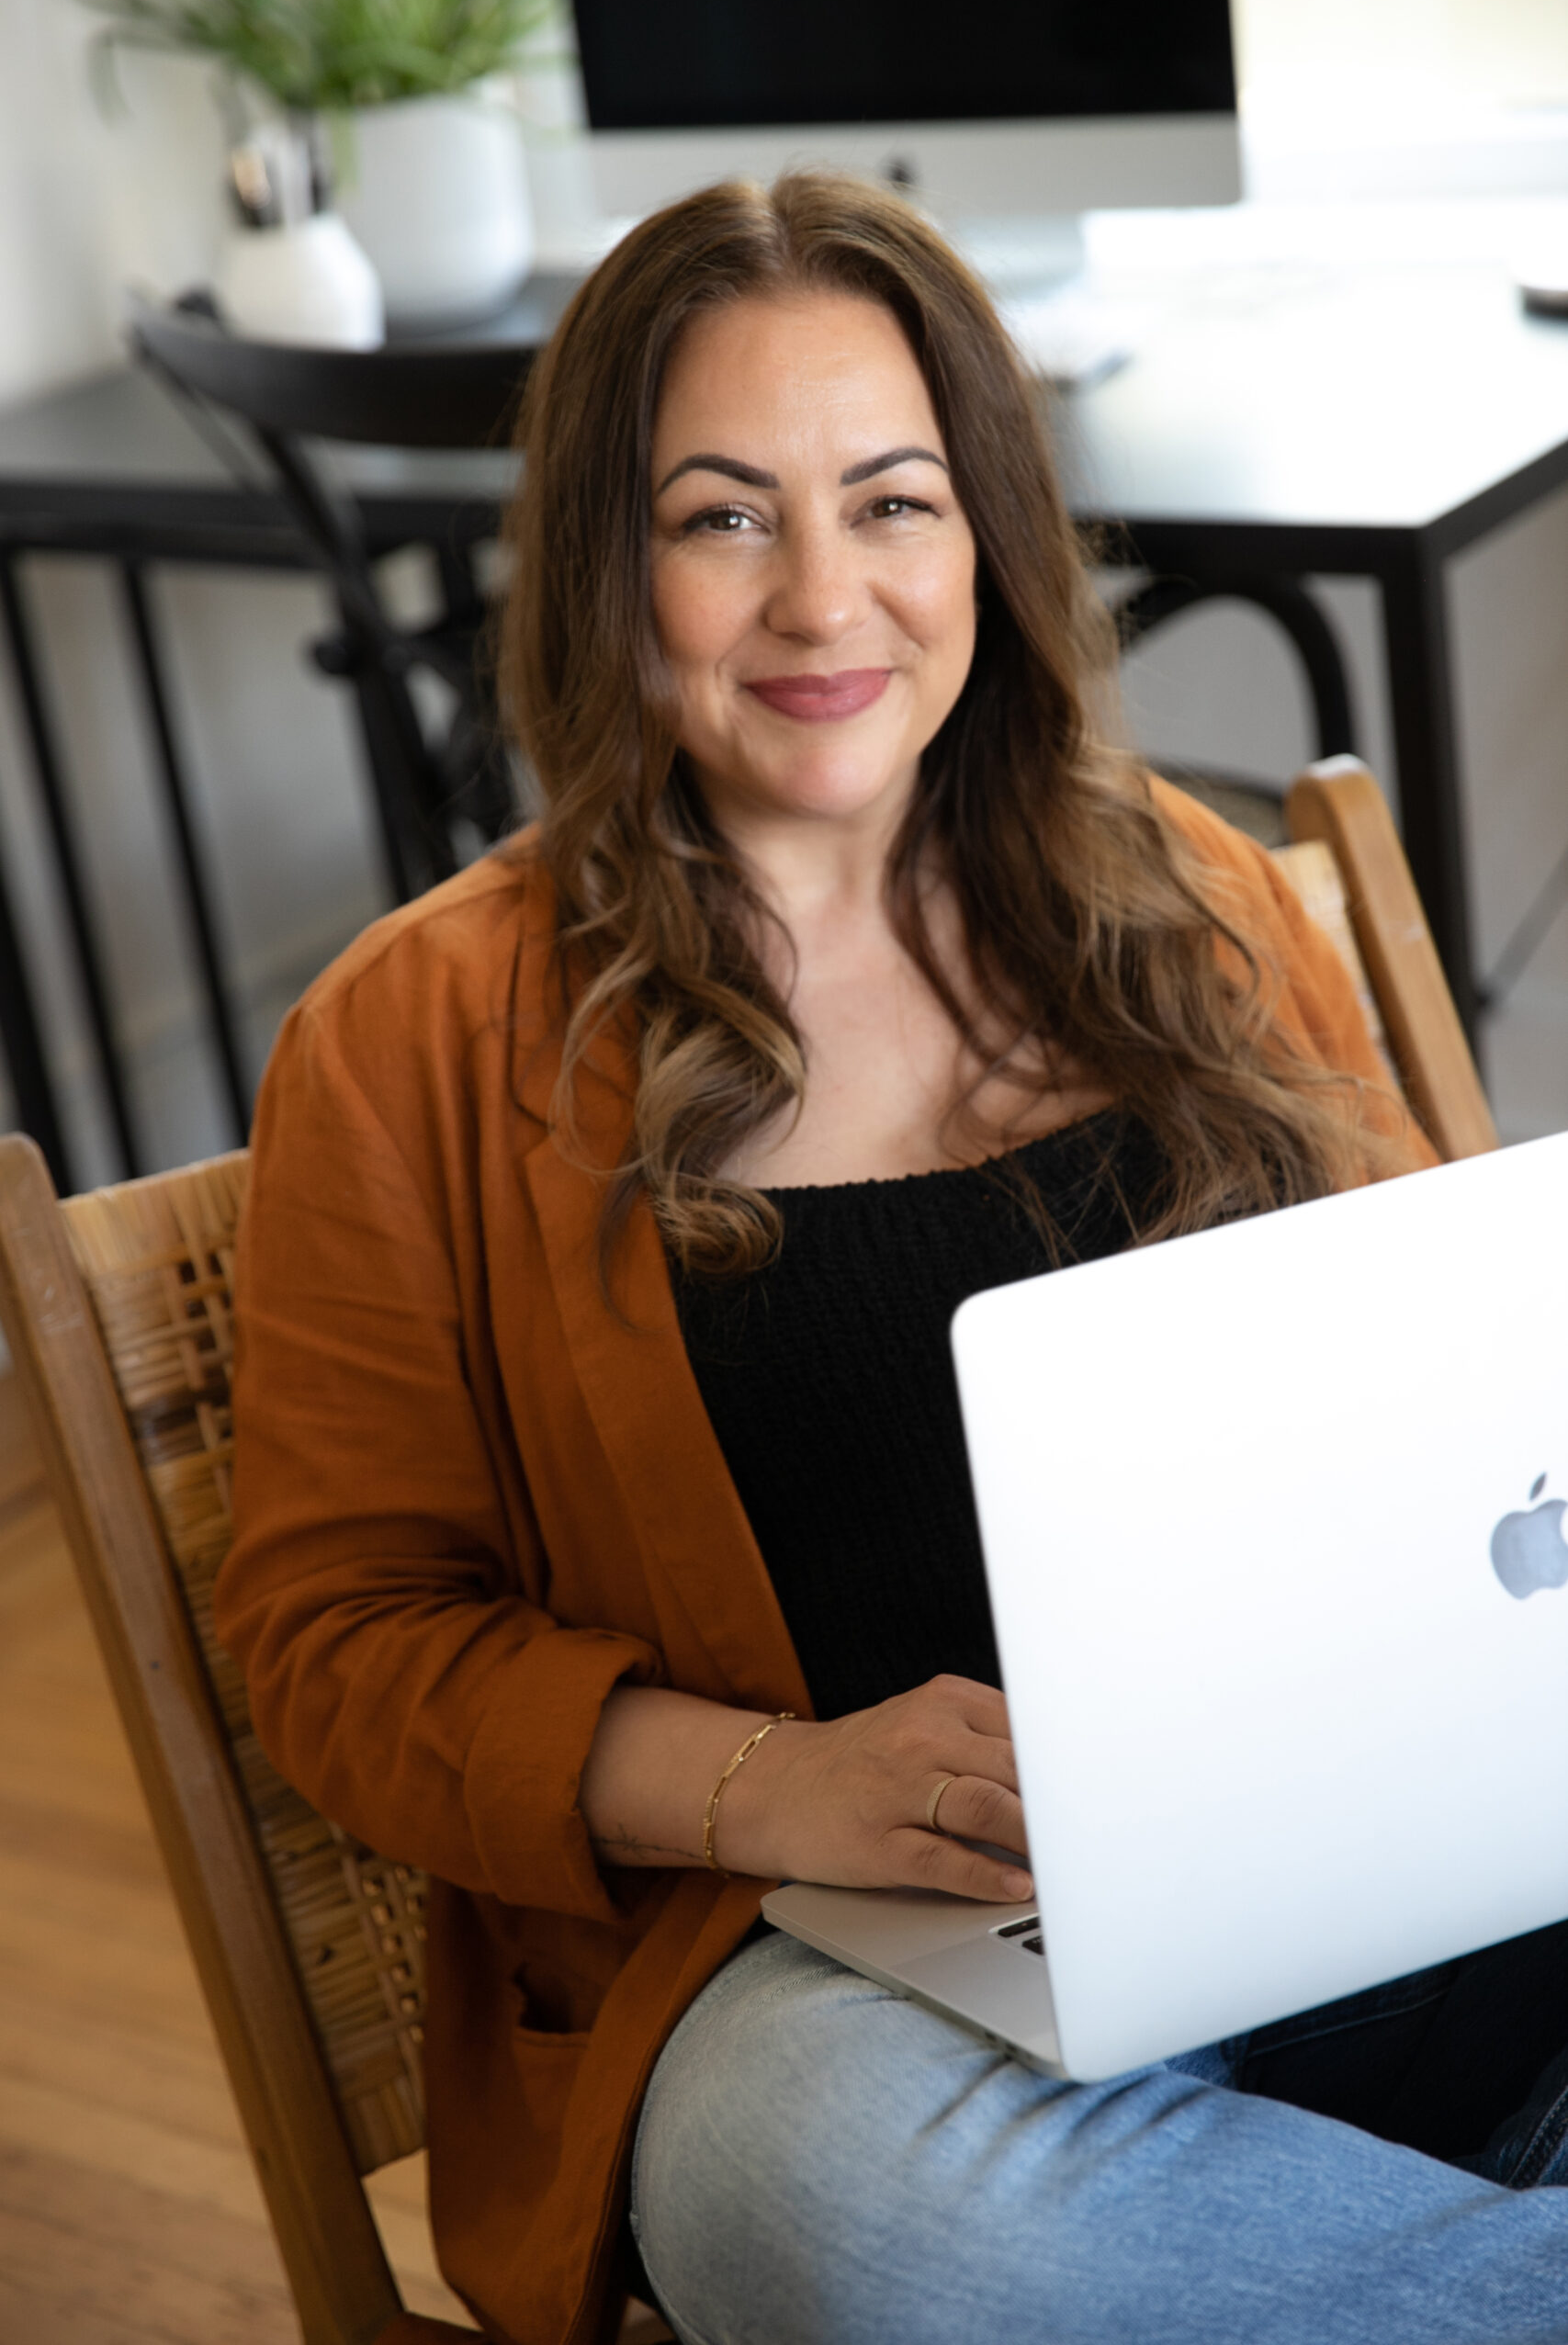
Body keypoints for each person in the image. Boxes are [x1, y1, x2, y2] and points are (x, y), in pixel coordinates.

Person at [214, 172, 1568, 2345]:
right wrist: (773, 1778)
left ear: (986, 537)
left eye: (891, 501)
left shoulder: (1195, 897)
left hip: (1334, 1859)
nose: (821, 598)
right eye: (723, 516)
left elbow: (1464, 1414)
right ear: (604, 564)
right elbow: (335, 1636)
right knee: (820, 2201)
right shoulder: (413, 1034)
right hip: (830, 1969)